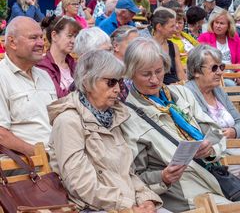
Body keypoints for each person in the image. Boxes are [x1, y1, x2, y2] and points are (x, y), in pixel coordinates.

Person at [48, 49, 169, 212]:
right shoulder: (68, 121)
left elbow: (127, 174)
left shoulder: (112, 117)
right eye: (110, 82)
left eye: (119, 82)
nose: (118, 89)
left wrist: (146, 198)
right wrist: (128, 206)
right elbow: (80, 184)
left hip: (124, 202)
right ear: (86, 82)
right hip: (94, 207)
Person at [121, 37, 229, 212]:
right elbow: (134, 177)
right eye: (146, 74)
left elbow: (215, 132)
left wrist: (209, 150)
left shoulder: (181, 94)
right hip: (184, 194)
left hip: (215, 177)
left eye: (159, 71)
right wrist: (163, 177)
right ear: (131, 73)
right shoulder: (127, 117)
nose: (155, 79)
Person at [0, 16, 57, 155]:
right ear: (12, 42)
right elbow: (1, 135)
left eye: (41, 37)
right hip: (28, 167)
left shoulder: (44, 75)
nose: (41, 43)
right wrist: (42, 156)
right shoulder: (2, 76)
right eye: (33, 38)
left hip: (58, 159)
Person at [185, 44, 240, 177]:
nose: (220, 72)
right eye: (214, 68)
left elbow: (239, 121)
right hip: (218, 158)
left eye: (221, 67)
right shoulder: (187, 94)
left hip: (235, 148)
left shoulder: (218, 91)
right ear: (196, 71)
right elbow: (202, 133)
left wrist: (234, 131)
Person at [36, 15, 81, 98]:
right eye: (69, 36)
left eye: (75, 37)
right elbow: (59, 97)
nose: (73, 41)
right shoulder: (43, 65)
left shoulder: (73, 63)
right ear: (54, 36)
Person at [152, 7, 186, 84]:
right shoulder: (147, 47)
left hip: (176, 87)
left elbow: (180, 73)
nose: (175, 29)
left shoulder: (173, 46)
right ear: (159, 27)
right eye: (172, 26)